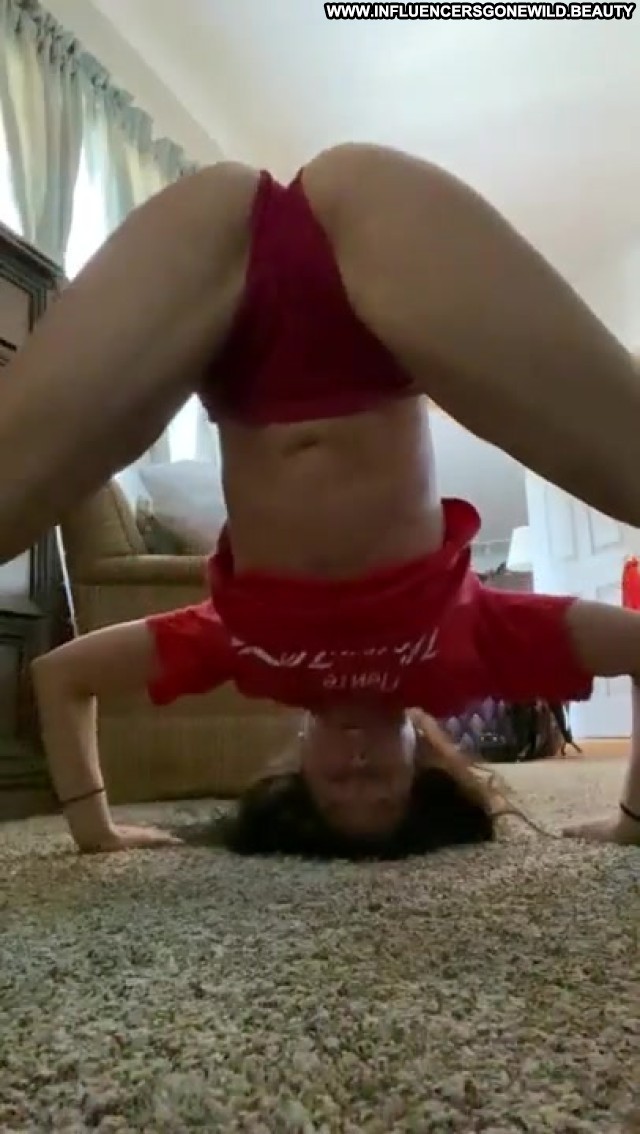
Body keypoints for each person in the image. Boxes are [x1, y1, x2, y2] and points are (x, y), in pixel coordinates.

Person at [4, 142, 640, 856]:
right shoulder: (466, 653)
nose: (357, 768)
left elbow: (61, 675)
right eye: (382, 787)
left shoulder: (247, 654)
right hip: (377, 270)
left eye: (337, 788)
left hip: (218, 278)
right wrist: (634, 819)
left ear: (299, 766)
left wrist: (95, 829)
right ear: (423, 761)